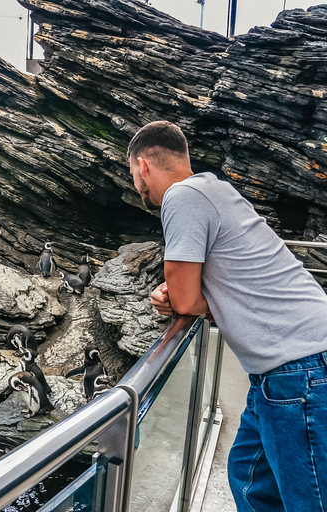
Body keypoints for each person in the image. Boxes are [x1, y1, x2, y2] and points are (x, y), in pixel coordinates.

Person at [127, 120, 327, 512]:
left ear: (142, 164)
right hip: (283, 368)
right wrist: (188, 295)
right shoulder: (213, 187)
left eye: (133, 173)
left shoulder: (181, 197)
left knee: (310, 500)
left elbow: (184, 299)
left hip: (298, 370)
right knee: (249, 479)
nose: (137, 184)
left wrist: (178, 298)